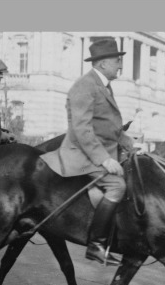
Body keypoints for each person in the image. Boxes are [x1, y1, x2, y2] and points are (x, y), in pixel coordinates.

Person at [40, 38, 134, 266]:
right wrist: (104, 159)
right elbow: (82, 129)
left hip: (101, 149)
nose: (120, 65)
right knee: (117, 185)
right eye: (116, 60)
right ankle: (97, 245)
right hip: (80, 153)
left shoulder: (102, 85)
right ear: (103, 64)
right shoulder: (84, 85)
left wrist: (127, 141)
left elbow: (107, 124)